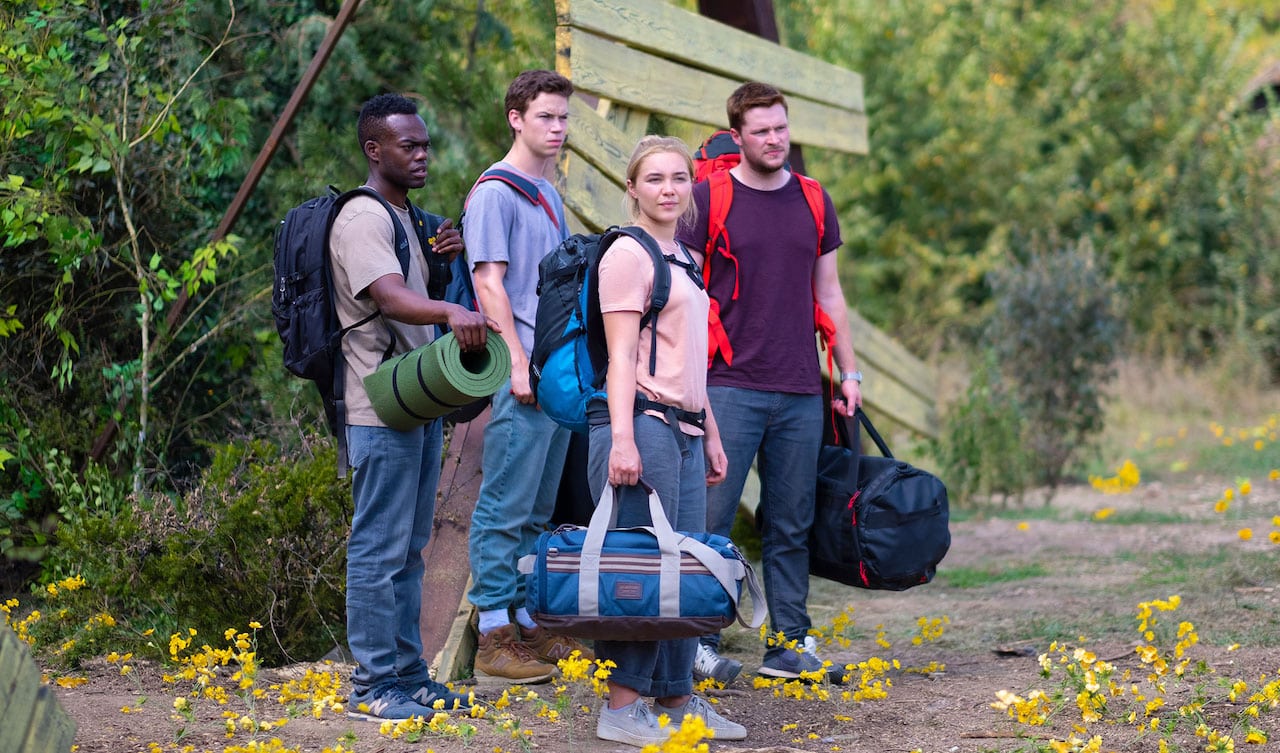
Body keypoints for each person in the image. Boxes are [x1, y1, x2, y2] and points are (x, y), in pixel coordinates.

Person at [676, 82, 864, 684]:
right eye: (761, 131)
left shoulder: (813, 199)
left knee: (791, 520)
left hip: (802, 386)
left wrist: (848, 371)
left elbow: (829, 291)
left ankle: (788, 644)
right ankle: (696, 644)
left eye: (781, 128)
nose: (775, 140)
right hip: (726, 384)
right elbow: (683, 293)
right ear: (738, 135)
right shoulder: (709, 198)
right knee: (710, 521)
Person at [329, 93, 496, 721]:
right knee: (378, 546)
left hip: (416, 402)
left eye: (425, 144)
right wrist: (452, 310)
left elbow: (411, 285)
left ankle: (407, 675)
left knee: (409, 547)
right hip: (378, 407)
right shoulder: (363, 218)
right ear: (375, 149)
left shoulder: (406, 217)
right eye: (409, 145)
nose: (422, 155)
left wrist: (440, 259)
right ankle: (374, 686)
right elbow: (390, 299)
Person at [589, 136, 746, 747]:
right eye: (654, 179)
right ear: (632, 187)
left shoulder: (681, 256)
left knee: (686, 573)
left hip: (682, 427)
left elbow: (692, 358)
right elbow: (623, 357)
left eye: (680, 178)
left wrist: (709, 431)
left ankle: (678, 701)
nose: (669, 189)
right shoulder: (628, 255)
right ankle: (622, 708)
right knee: (642, 571)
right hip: (643, 426)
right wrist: (623, 439)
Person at [465, 69, 593, 682]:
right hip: (520, 372)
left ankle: (525, 618)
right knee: (505, 505)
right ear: (516, 118)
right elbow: (489, 282)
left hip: (555, 376)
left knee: (540, 509)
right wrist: (516, 362)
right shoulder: (496, 191)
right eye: (546, 116)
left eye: (564, 118)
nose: (558, 128)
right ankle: (492, 633)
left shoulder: (548, 195)